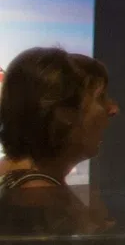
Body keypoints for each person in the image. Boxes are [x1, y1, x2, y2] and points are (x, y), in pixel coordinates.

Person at [0, 47, 118, 197]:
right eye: (101, 97)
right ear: (63, 113)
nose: (113, 109)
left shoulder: (20, 181)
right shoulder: (35, 194)